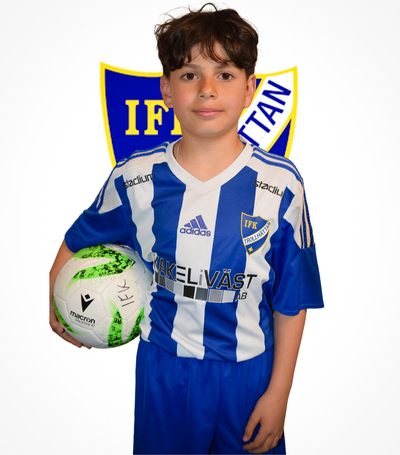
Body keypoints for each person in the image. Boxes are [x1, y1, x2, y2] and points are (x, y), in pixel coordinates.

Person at [49, 4, 324, 454]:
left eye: (225, 74)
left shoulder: (281, 184)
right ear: (166, 89)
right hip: (165, 372)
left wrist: (279, 393)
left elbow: (291, 299)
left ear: (250, 89)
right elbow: (78, 239)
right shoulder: (135, 177)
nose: (207, 90)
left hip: (248, 375)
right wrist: (60, 301)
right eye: (190, 75)